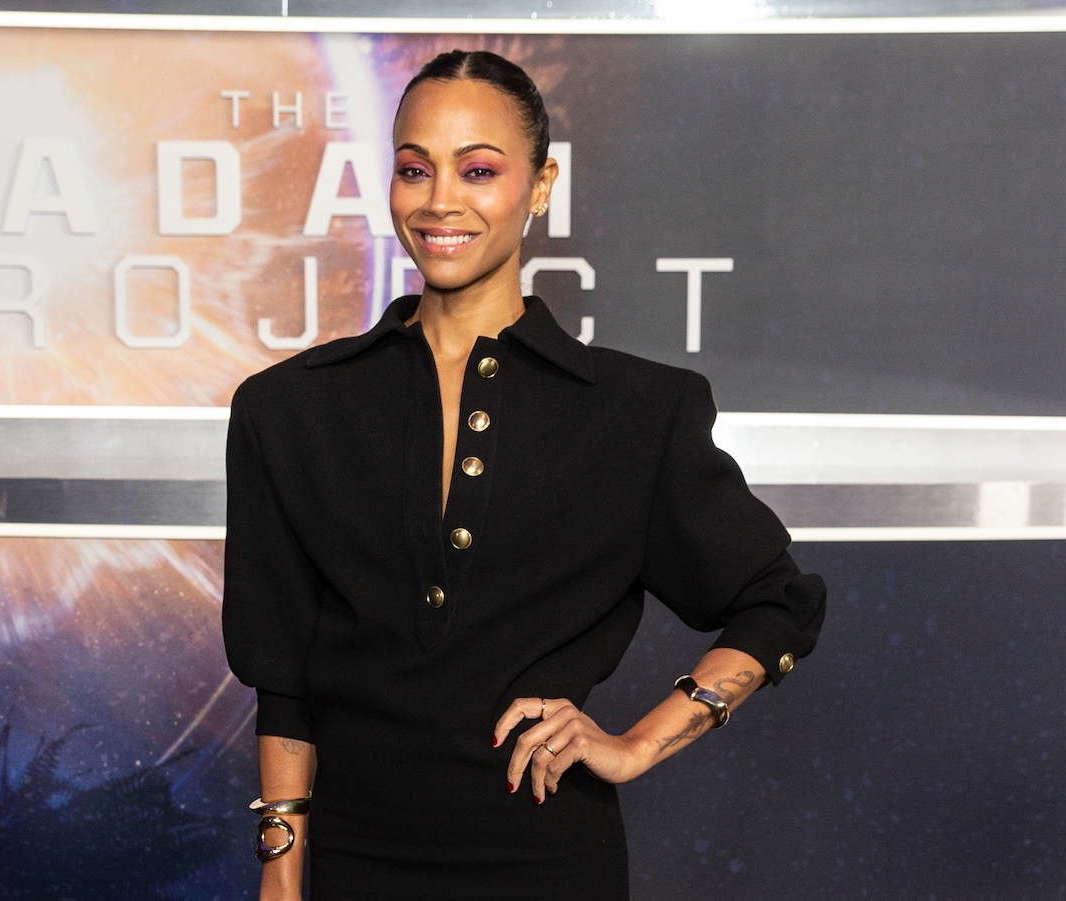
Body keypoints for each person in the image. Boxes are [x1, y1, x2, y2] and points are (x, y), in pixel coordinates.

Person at [222, 49, 826, 901]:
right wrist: (281, 878)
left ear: (541, 186)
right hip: (359, 864)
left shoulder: (637, 413)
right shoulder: (288, 408)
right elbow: (283, 673)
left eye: (478, 170)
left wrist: (637, 744)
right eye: (414, 169)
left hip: (552, 863)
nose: (440, 200)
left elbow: (778, 603)